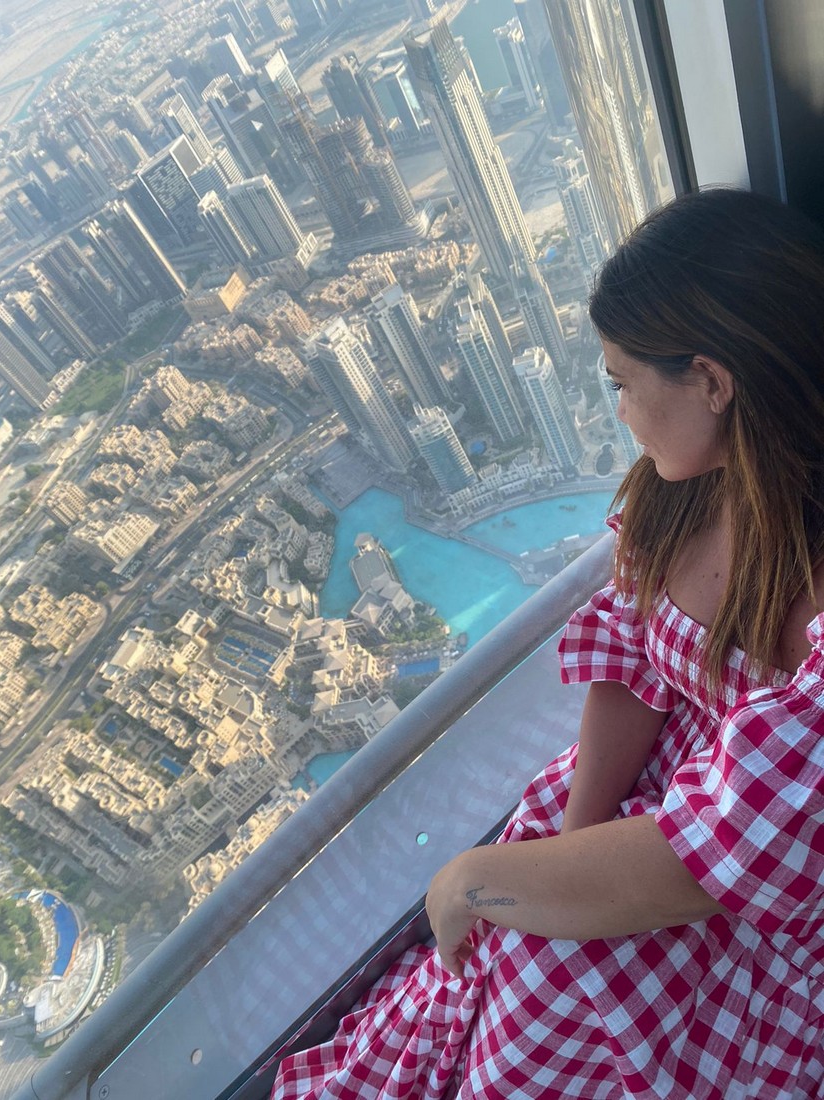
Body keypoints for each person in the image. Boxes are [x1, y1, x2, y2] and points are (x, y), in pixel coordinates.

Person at [273, 187, 824, 1099]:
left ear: (711, 381)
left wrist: (475, 880)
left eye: (623, 384)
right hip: (653, 823)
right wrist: (569, 851)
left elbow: (726, 851)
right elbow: (633, 673)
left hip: (756, 903)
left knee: (547, 992)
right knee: (521, 966)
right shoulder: (680, 493)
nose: (620, 413)